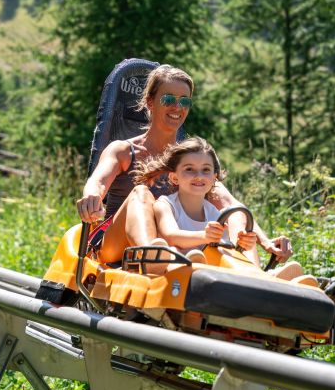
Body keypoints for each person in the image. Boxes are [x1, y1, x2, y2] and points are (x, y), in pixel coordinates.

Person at [75, 64, 292, 269]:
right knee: (140, 193)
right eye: (168, 99)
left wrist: (266, 242)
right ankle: (152, 256)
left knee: (232, 213)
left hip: (172, 249)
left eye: (184, 101)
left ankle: (250, 272)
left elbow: (229, 203)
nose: (177, 107)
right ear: (150, 102)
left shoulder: (188, 162)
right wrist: (92, 197)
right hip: (115, 247)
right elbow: (98, 182)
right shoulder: (123, 150)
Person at [135, 136, 315, 284]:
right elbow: (170, 235)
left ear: (214, 178)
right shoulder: (165, 204)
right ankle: (264, 280)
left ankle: (260, 277)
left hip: (211, 273)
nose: (199, 176)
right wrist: (204, 236)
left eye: (206, 170)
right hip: (174, 272)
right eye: (189, 169)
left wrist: (244, 245)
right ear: (174, 177)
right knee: (178, 251)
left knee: (231, 250)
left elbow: (224, 248)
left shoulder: (215, 213)